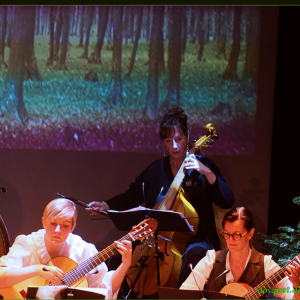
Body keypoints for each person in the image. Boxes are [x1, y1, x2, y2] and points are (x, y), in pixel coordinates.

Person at [86, 107, 235, 290]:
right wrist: (105, 205)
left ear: (187, 136)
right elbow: (132, 195)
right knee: (122, 253)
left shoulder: (203, 167)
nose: (174, 146)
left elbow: (227, 200)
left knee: (195, 253)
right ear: (163, 143)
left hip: (195, 238)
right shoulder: (155, 170)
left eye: (179, 139)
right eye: (168, 141)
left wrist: (205, 171)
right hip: (157, 239)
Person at [0, 198, 132, 299]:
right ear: (43, 221)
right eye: (53, 223)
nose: (57, 230)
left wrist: (125, 264)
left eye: (65, 226)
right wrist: (36, 270)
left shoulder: (83, 250)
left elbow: (105, 289)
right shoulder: (28, 243)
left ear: (73, 227)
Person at [180, 207, 300, 299]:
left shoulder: (265, 265)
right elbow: (184, 294)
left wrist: (297, 286)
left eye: (237, 235)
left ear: (250, 233)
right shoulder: (212, 260)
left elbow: (291, 297)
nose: (230, 239)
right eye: (226, 234)